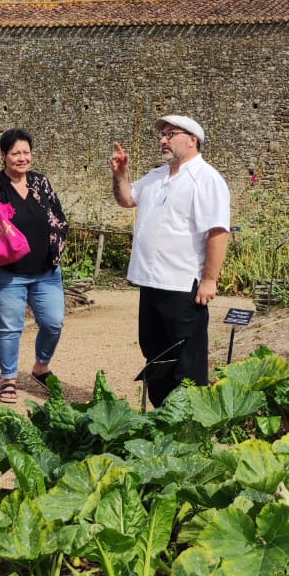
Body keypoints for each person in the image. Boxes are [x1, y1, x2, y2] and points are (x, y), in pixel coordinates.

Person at [111, 113, 231, 406]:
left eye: (170, 134)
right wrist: (120, 174)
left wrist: (210, 279)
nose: (163, 139)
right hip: (150, 282)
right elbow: (127, 199)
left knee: (186, 360)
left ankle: (190, 424)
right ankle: (163, 416)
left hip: (182, 285)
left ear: (192, 140)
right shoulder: (156, 177)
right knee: (155, 352)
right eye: (162, 135)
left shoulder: (207, 179)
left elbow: (218, 231)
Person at [0, 128, 68, 404]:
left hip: (45, 271)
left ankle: (41, 366)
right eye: (15, 153)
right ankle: (8, 380)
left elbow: (59, 217)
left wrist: (57, 244)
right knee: (10, 328)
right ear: (4, 156)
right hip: (6, 274)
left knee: (53, 322)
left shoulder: (41, 183)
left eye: (26, 153)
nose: (22, 158)